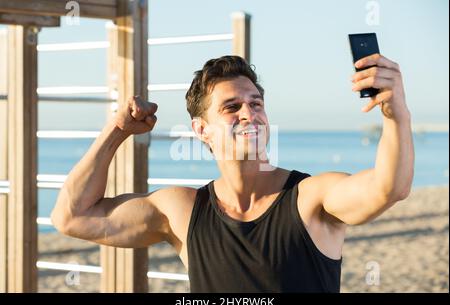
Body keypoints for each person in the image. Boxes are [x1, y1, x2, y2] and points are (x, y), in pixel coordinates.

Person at [51, 55, 414, 292]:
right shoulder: (183, 210)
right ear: (201, 130)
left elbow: (389, 187)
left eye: (256, 103)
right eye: (231, 107)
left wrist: (395, 111)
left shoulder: (309, 198)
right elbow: (72, 216)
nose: (248, 114)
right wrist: (116, 130)